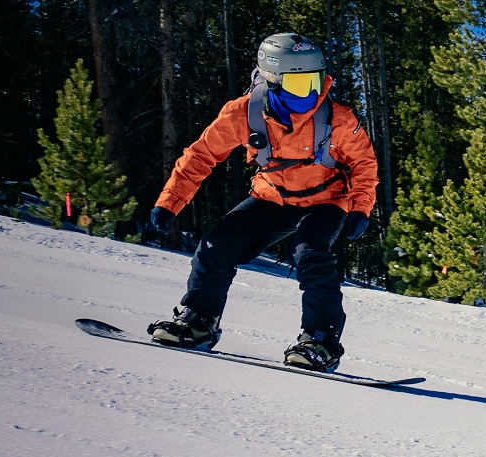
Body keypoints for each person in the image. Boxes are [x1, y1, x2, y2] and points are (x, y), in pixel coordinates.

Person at [146, 33, 378, 373]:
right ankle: (198, 322)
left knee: (309, 252)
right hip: (271, 196)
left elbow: (364, 164)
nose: (312, 93)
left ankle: (320, 340)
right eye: (300, 85)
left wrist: (360, 207)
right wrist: (170, 202)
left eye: (315, 82)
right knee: (216, 244)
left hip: (325, 200)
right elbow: (201, 156)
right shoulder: (242, 113)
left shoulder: (337, 119)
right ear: (272, 80)